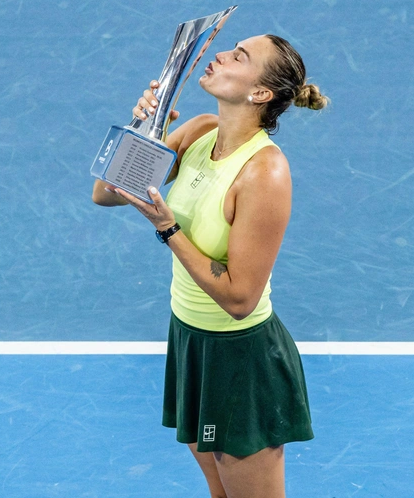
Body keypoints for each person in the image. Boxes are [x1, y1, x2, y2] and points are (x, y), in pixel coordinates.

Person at [92, 33, 329, 498]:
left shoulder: (264, 173)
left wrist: (168, 229)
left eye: (239, 56)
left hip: (240, 358)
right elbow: (106, 193)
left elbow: (240, 299)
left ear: (259, 92)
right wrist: (144, 128)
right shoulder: (199, 132)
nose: (220, 55)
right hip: (191, 341)